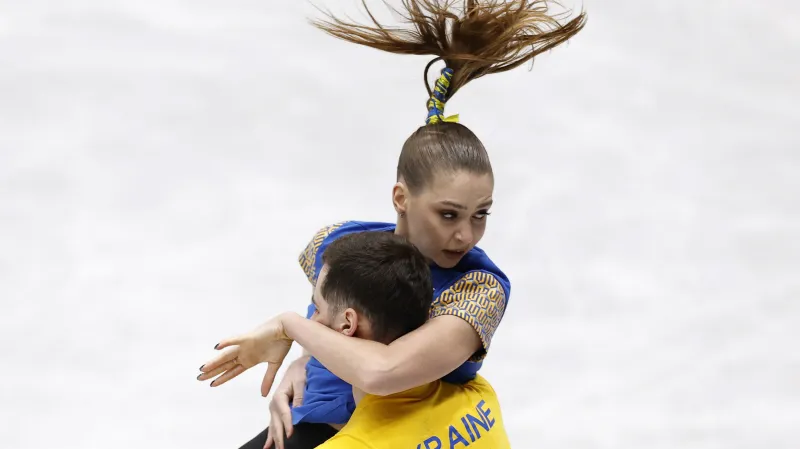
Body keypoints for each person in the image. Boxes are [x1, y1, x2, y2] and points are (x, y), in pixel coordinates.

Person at [198, 1, 586, 448]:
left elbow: (383, 372)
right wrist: (305, 361)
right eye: (448, 214)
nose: (466, 234)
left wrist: (288, 328)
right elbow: (335, 316)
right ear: (401, 198)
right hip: (314, 428)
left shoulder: (477, 288)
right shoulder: (339, 245)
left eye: (481, 214)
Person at [203, 231, 511, 449]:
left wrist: (289, 325)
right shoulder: (479, 395)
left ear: (347, 325)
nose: (311, 322)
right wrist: (304, 361)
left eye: (317, 309)